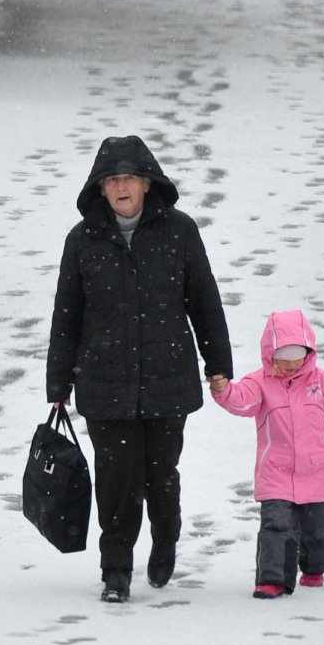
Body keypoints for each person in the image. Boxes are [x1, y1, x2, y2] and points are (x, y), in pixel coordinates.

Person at [46, 135, 233, 603]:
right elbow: (66, 314)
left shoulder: (180, 232)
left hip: (166, 378)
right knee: (115, 481)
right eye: (112, 180)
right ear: (101, 188)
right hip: (104, 381)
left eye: (129, 177)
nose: (121, 187)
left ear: (147, 184)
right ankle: (116, 571)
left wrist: (218, 365)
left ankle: (166, 535)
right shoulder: (82, 239)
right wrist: (59, 379)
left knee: (160, 476)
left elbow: (204, 301)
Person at [209, 309, 324, 599]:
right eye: (285, 357)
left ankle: (314, 567)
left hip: (315, 474)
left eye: (298, 357)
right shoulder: (260, 383)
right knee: (276, 527)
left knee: (318, 534)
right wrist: (223, 390)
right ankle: (272, 580)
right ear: (270, 353)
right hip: (275, 473)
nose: (292, 365)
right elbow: (241, 401)